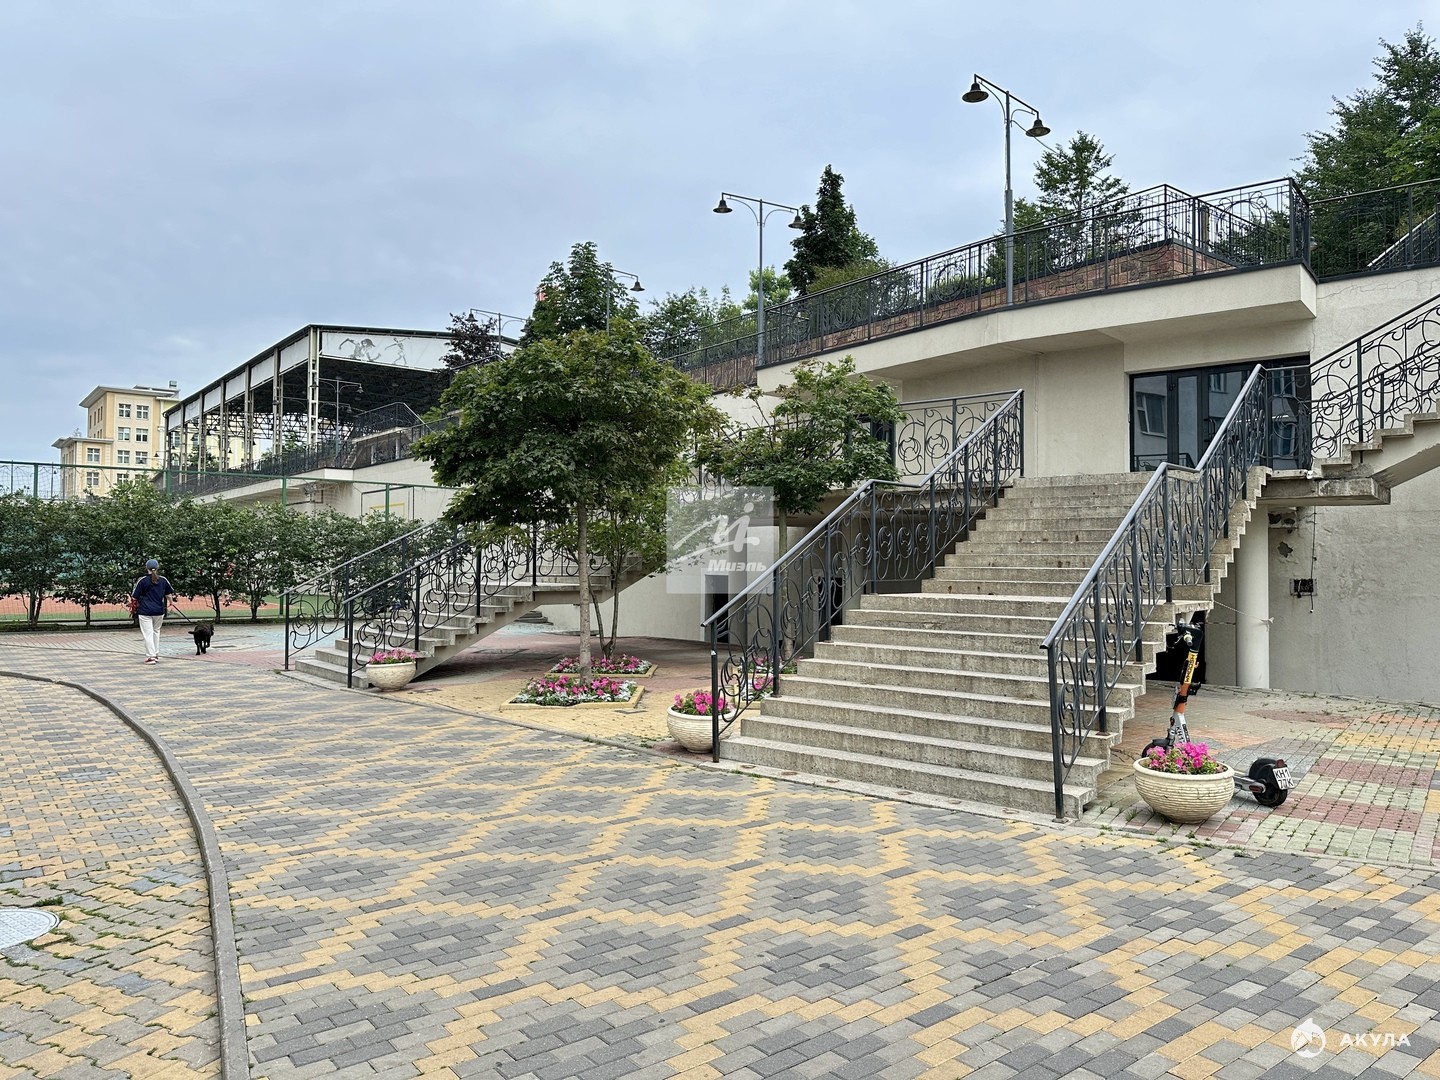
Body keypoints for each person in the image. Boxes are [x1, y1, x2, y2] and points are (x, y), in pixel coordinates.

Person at [132, 558, 177, 664]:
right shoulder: (163, 580)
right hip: (159, 610)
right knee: (156, 632)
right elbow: (169, 594)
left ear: (146, 568)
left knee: (148, 634)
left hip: (145, 611)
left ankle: (151, 656)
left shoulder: (142, 580)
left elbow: (134, 596)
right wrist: (171, 602)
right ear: (157, 568)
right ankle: (156, 654)